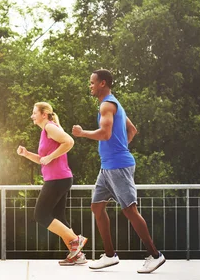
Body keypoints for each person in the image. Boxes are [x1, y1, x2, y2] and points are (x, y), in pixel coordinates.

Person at [72, 69, 166, 273]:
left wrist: (82, 133)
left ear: (103, 83)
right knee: (97, 207)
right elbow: (132, 130)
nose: (90, 86)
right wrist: (120, 147)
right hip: (107, 167)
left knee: (129, 210)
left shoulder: (107, 105)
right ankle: (109, 255)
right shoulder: (115, 104)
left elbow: (105, 134)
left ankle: (155, 255)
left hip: (118, 166)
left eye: (92, 82)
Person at [17, 102, 88, 266]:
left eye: (34, 112)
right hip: (58, 178)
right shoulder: (46, 131)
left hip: (58, 179)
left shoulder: (50, 127)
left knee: (40, 215)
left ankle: (76, 240)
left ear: (44, 114)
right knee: (59, 217)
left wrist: (50, 157)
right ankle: (77, 255)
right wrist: (26, 154)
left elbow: (69, 142)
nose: (32, 116)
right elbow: (44, 160)